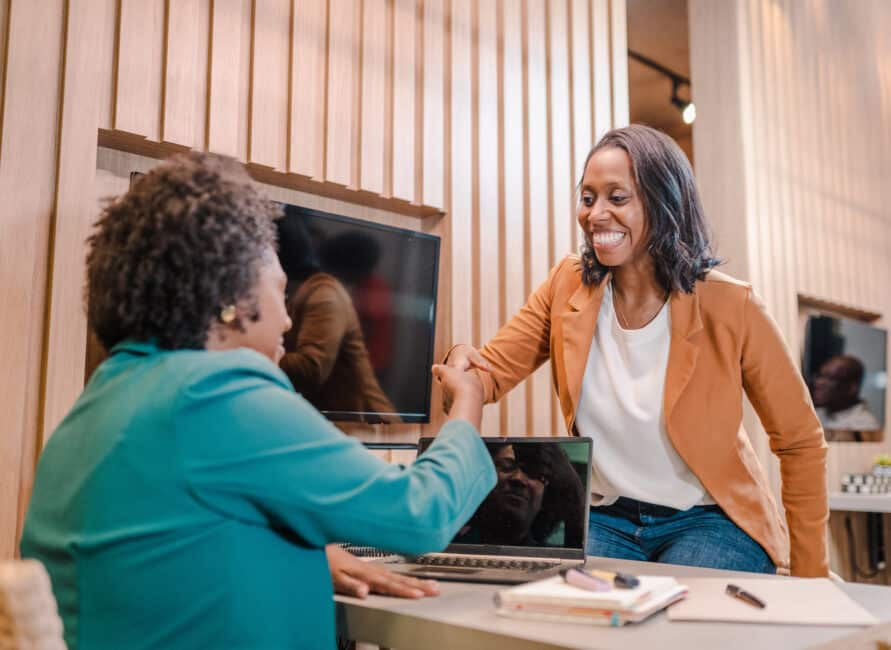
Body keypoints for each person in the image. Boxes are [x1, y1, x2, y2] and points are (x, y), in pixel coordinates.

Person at [20, 152, 496, 650]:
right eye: (279, 293)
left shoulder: (100, 399)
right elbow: (420, 512)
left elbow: (178, 541)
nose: (288, 322)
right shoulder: (216, 393)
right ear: (232, 299)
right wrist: (467, 405)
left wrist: (311, 554)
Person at [446, 125, 828, 577]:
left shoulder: (732, 305)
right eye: (588, 198)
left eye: (617, 198)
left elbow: (800, 441)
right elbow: (490, 372)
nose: (596, 215)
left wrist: (811, 578)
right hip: (608, 517)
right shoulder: (566, 283)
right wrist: (461, 361)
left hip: (710, 520)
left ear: (663, 203)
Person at [276, 214, 398, 421]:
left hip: (372, 429)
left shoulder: (325, 293)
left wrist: (245, 354)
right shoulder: (306, 291)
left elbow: (310, 369)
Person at [454, 442, 586, 547]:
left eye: (533, 471)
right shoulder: (448, 545)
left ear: (547, 498)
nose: (519, 478)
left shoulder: (552, 557)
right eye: (507, 466)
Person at [812, 354, 881, 432]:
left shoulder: (865, 426)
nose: (818, 383)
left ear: (852, 388)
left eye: (830, 378)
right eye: (820, 376)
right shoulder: (815, 415)